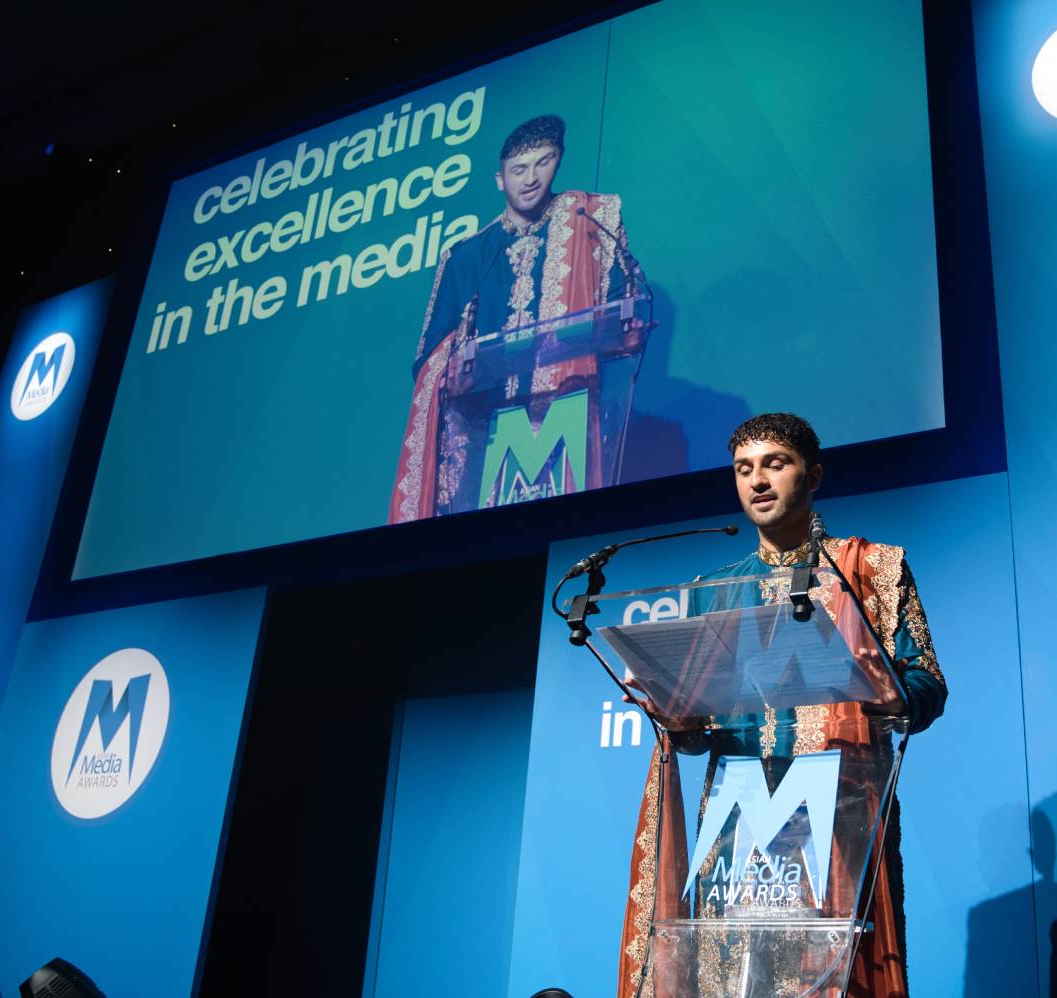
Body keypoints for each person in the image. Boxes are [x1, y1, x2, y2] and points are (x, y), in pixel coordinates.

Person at [615, 412, 947, 998]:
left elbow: (929, 685)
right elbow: (697, 735)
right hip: (735, 823)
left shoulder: (870, 570)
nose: (758, 481)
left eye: (775, 464)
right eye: (744, 469)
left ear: (813, 475)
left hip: (838, 818)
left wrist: (890, 692)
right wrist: (676, 718)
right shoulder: (713, 590)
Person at [388, 114, 636, 520]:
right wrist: (454, 369)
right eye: (519, 169)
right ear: (500, 179)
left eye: (544, 162)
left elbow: (624, 314)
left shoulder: (588, 223)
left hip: (567, 416)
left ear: (559, 161)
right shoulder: (466, 257)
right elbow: (429, 359)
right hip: (483, 433)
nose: (531, 179)